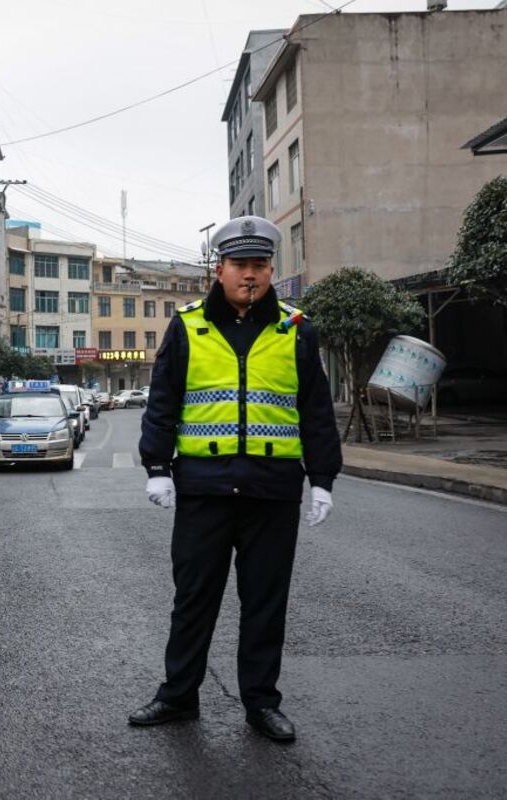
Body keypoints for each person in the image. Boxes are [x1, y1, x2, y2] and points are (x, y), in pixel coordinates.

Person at [128, 215, 342, 742]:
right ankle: (178, 696)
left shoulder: (295, 327)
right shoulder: (189, 325)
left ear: (271, 269)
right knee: (194, 598)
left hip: (272, 491)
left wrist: (322, 478)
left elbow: (315, 409)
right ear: (219, 269)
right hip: (204, 489)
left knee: (265, 602)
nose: (251, 275)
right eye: (240, 265)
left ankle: (261, 704)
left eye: (260, 265)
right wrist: (157, 468)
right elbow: (163, 403)